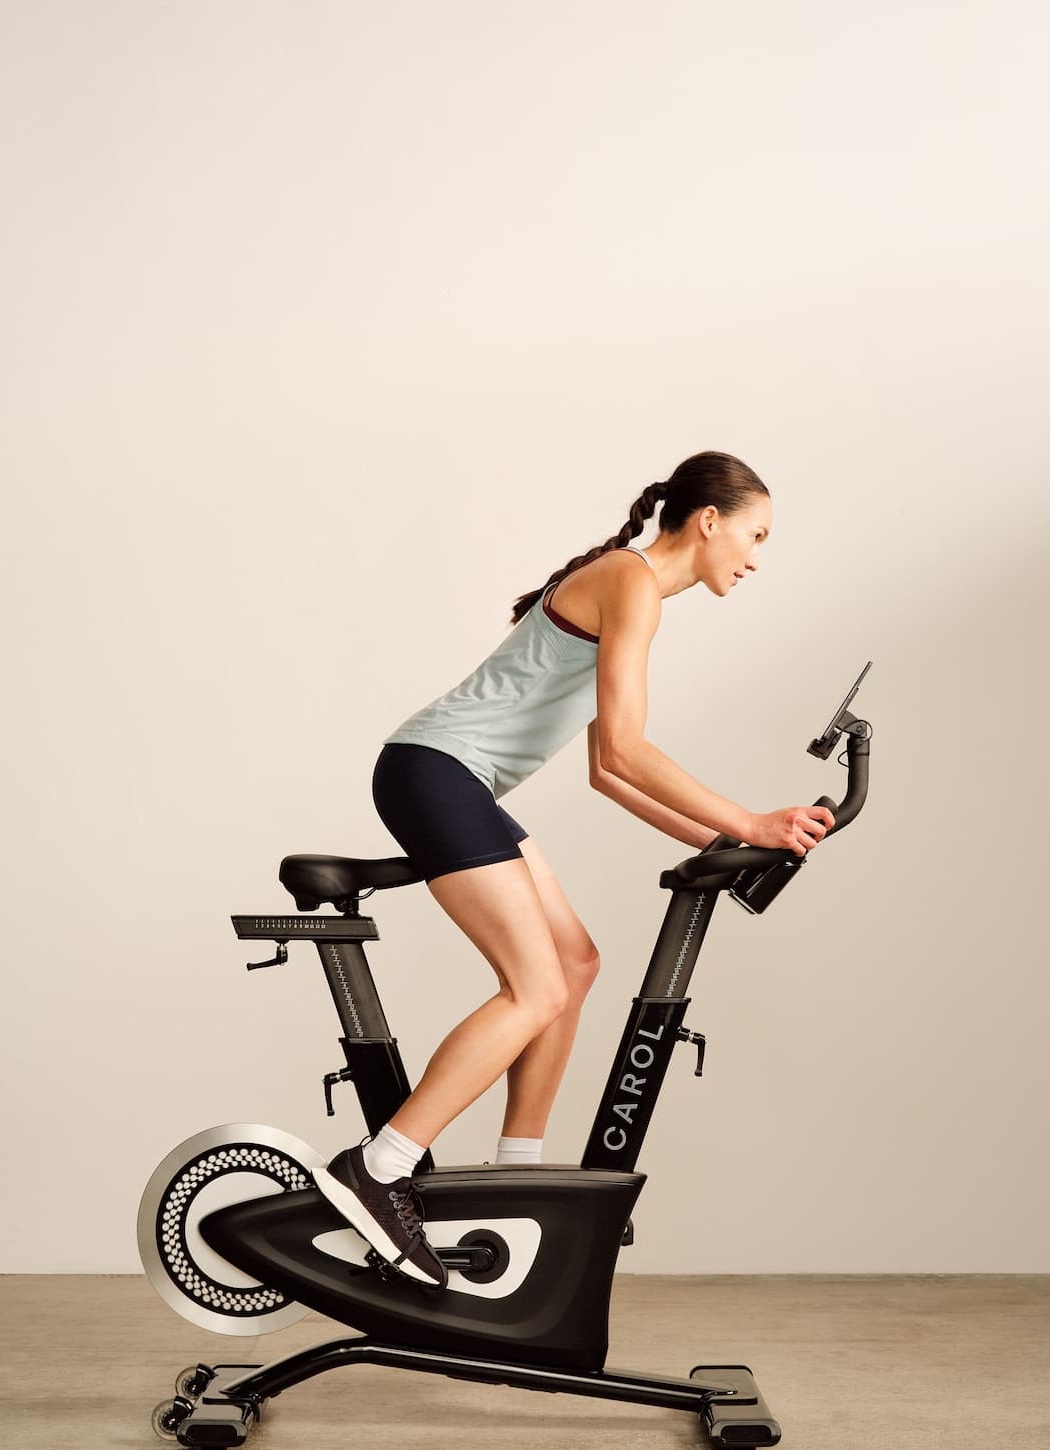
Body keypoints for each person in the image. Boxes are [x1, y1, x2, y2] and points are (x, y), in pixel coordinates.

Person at [312, 450, 834, 1289]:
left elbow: (604, 770)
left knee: (575, 964)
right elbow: (626, 749)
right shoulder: (630, 580)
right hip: (433, 771)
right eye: (756, 535)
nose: (756, 558)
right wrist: (747, 820)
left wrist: (715, 844)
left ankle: (516, 1175)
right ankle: (380, 1166)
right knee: (536, 987)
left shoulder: (631, 590)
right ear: (709, 521)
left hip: (454, 779)